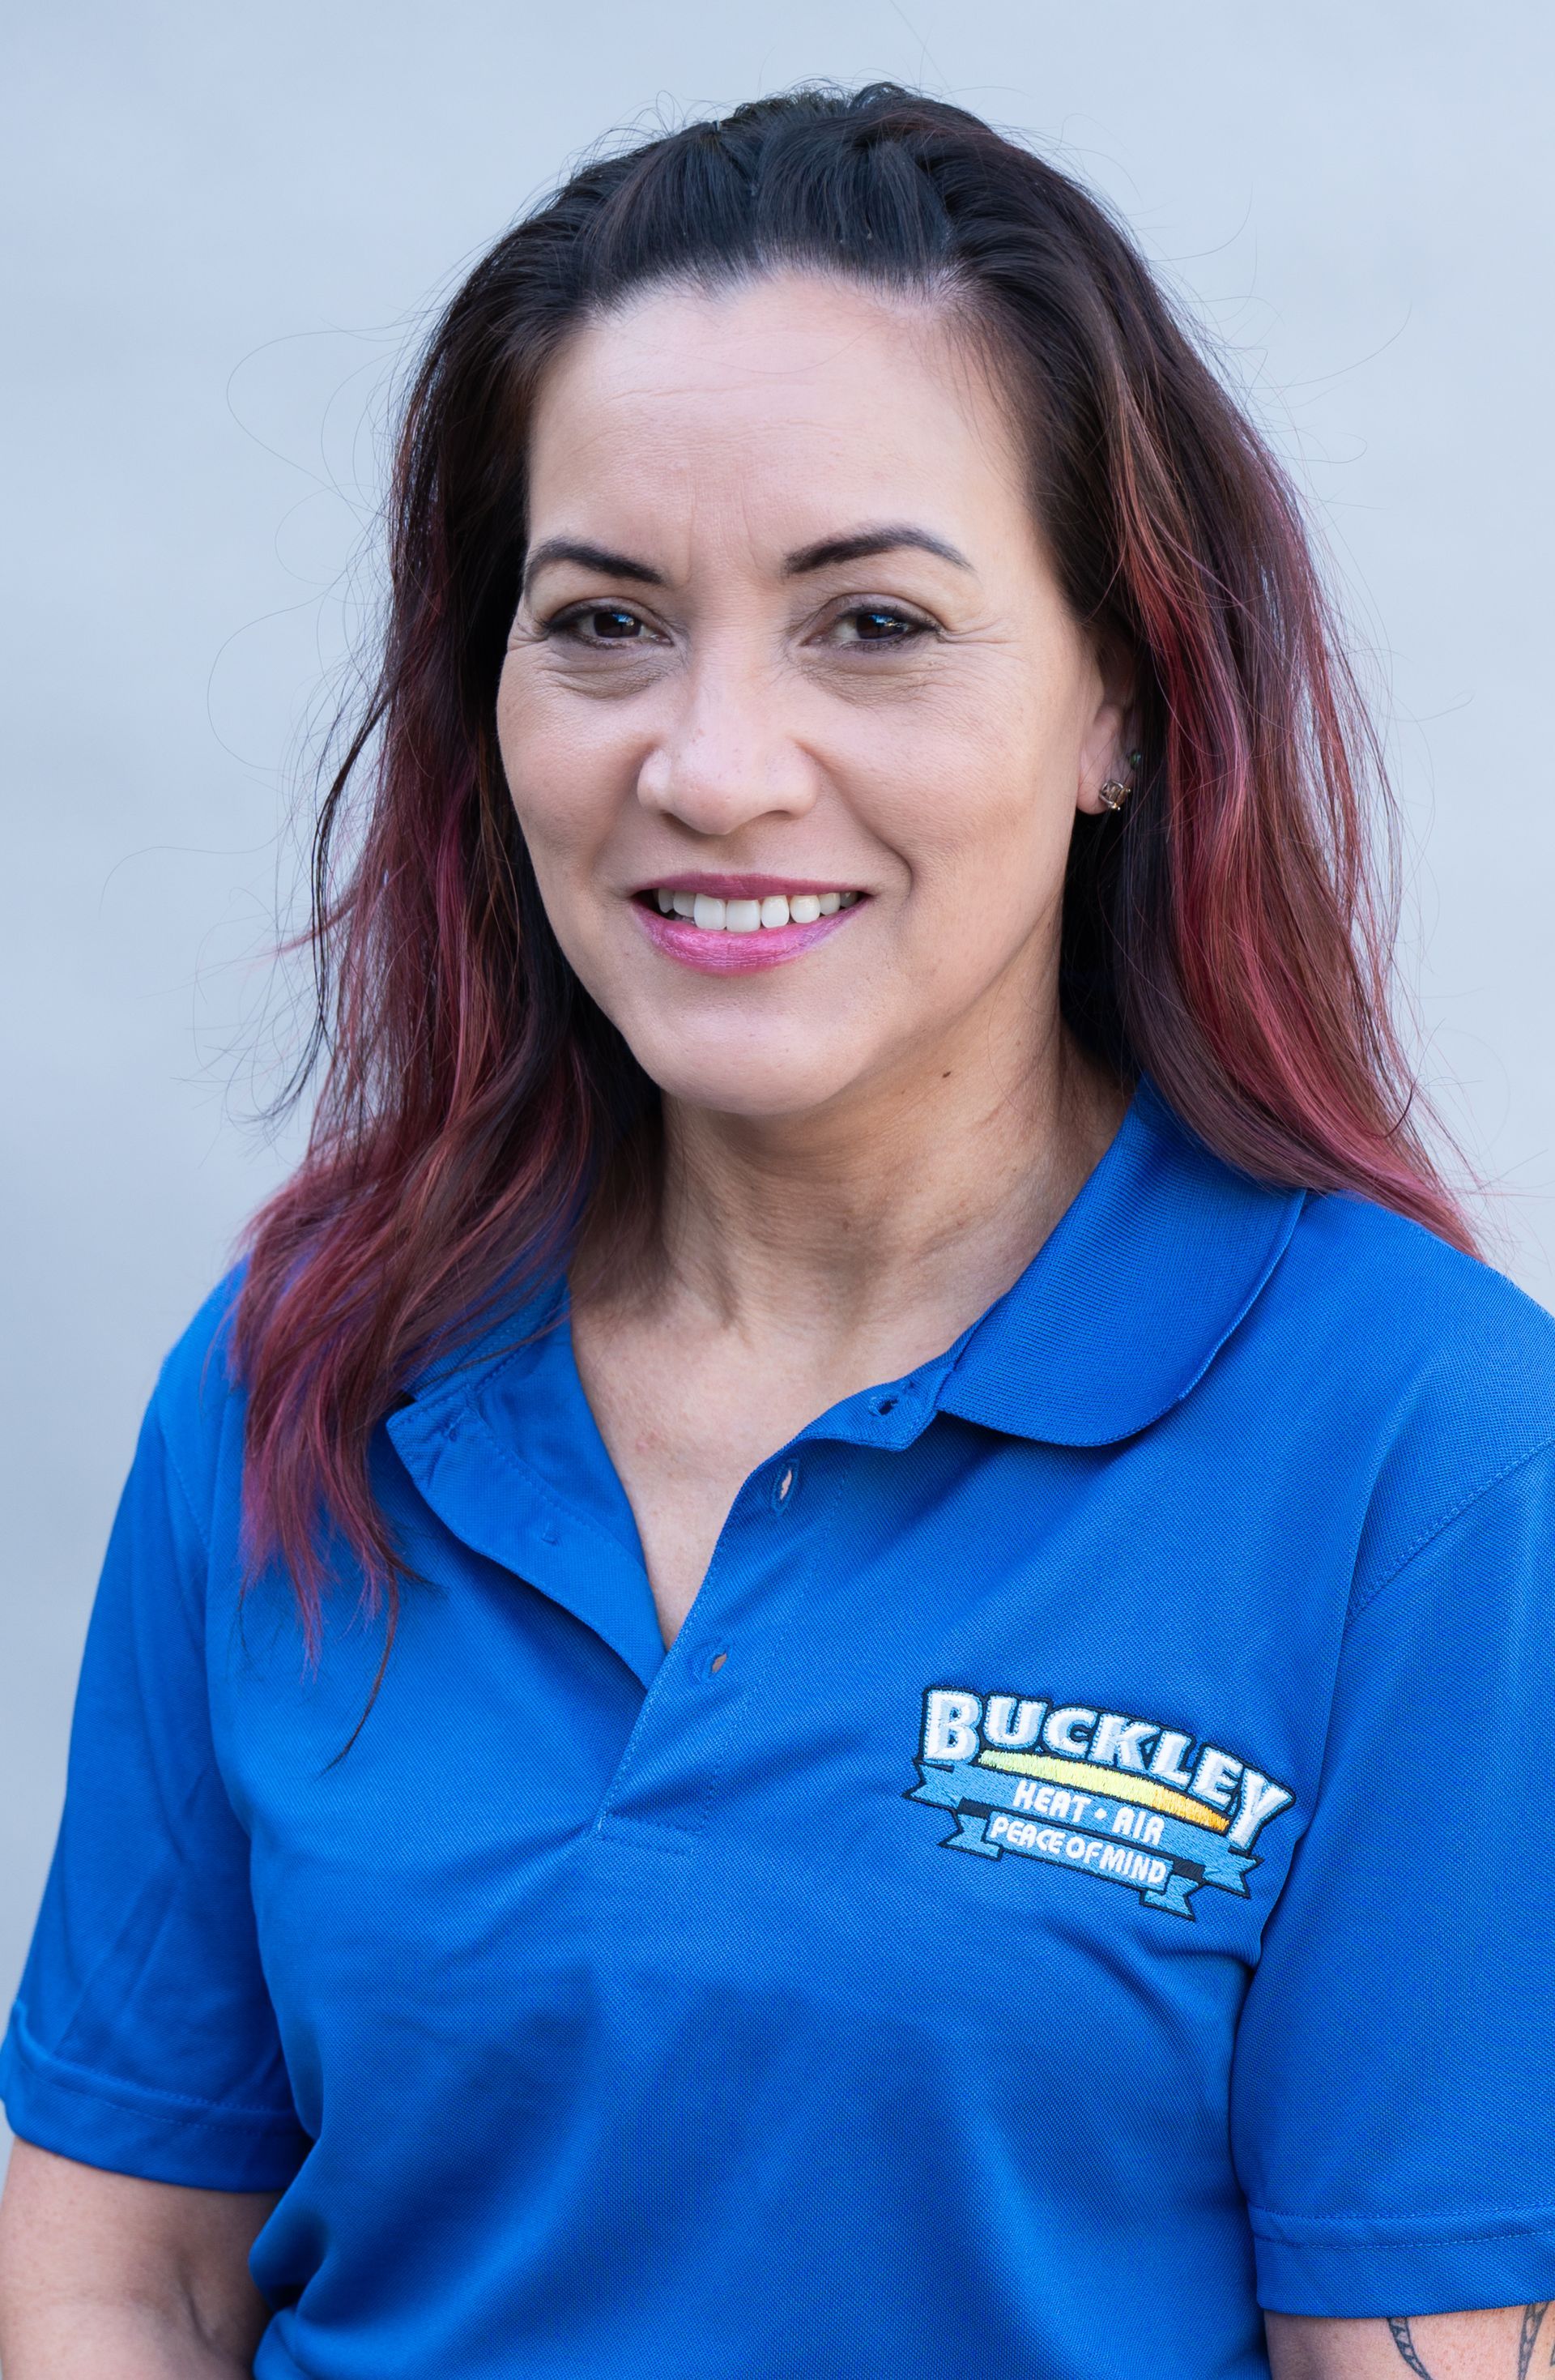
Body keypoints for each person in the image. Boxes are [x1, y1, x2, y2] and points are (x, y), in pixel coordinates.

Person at [1, 79, 1552, 2380]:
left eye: (873, 624)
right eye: (607, 617)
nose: (713, 763)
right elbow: (120, 2270)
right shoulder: (297, 1373)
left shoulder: (1422, 1446)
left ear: (1121, 696)